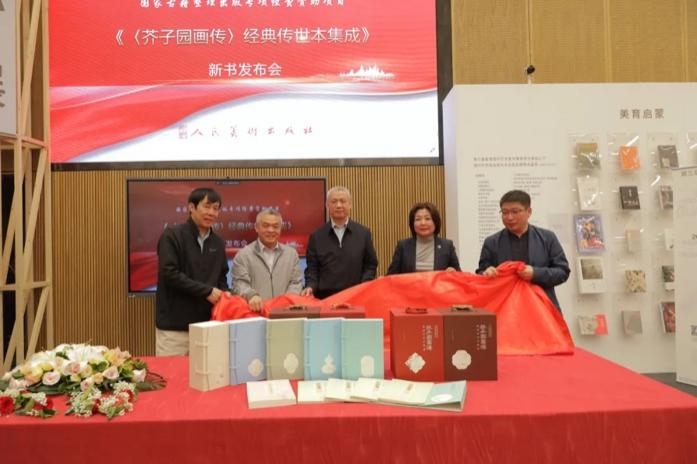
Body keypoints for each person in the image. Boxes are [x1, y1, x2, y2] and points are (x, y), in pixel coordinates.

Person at [155, 187, 229, 355]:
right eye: (206, 206)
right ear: (191, 207)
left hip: (207, 327)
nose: (211, 213)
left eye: (216, 208)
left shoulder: (218, 243)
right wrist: (207, 291)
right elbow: (169, 274)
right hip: (174, 329)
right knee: (172, 371)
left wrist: (225, 294)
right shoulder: (172, 236)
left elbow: (221, 277)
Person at [476, 190, 570, 311]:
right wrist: (486, 273)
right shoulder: (492, 242)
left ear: (529, 212)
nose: (509, 217)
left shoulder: (547, 238)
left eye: (515, 212)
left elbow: (563, 272)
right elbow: (481, 272)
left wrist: (535, 273)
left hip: (541, 308)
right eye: (505, 212)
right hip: (506, 309)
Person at [301, 186, 378, 299]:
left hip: (356, 297)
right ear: (327, 205)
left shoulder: (363, 233)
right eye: (334, 201)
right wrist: (310, 286)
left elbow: (371, 264)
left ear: (350, 205)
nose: (338, 205)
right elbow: (312, 269)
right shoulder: (316, 236)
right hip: (325, 299)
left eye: (343, 201)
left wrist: (364, 285)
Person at [232, 208, 303, 311]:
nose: (271, 230)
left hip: (285, 312)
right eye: (265, 226)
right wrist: (251, 295)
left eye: (275, 226)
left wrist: (287, 300)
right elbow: (239, 283)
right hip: (256, 312)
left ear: (280, 229)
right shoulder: (243, 255)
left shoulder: (291, 254)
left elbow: (296, 282)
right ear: (256, 227)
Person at [386, 202, 460, 274]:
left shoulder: (447, 246)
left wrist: (454, 272)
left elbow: (460, 275)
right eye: (418, 219)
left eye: (427, 219)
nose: (423, 223)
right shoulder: (403, 246)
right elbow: (391, 276)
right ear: (412, 224)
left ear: (435, 222)